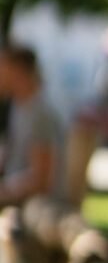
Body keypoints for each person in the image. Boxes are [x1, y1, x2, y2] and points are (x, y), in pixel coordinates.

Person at [0, 43, 64, 205]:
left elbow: (40, 181)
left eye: (2, 66)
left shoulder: (40, 114)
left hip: (36, 208)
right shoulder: (18, 106)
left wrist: (4, 191)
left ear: (17, 70)